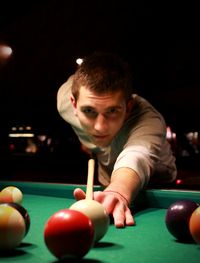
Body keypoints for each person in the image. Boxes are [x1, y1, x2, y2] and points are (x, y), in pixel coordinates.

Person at [57, 51, 177, 228]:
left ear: (128, 108)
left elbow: (137, 155)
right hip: (107, 182)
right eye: (89, 111)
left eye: (112, 111)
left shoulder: (149, 120)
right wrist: (87, 142)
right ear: (73, 104)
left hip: (158, 186)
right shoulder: (64, 103)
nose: (99, 127)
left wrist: (118, 191)